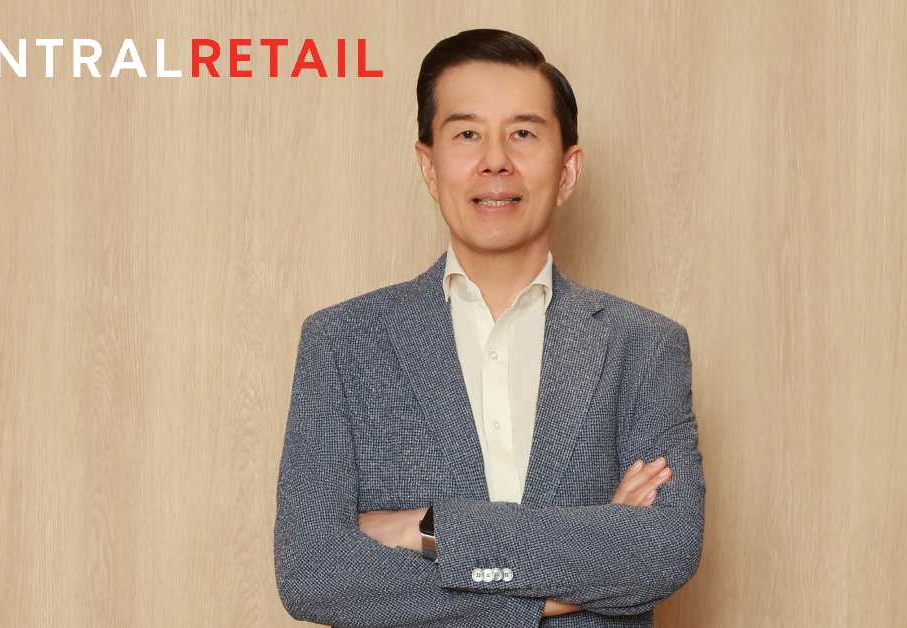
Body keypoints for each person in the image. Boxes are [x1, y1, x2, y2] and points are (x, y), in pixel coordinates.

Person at [273, 28, 705, 627]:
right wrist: (579, 567)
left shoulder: (644, 346)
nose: (495, 160)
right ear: (429, 167)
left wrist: (428, 529)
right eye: (467, 134)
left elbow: (662, 551)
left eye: (523, 133)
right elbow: (314, 575)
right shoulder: (343, 342)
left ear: (568, 171)